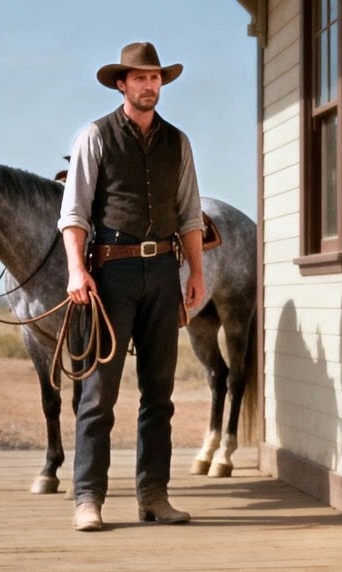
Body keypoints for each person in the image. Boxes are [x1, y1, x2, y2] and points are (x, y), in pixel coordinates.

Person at [57, 41, 206, 532]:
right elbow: (74, 212)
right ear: (121, 84)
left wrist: (197, 273)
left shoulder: (178, 142)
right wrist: (78, 271)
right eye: (140, 78)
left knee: (159, 393)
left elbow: (188, 214)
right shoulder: (95, 137)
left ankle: (153, 495)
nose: (149, 86)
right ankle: (88, 498)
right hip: (110, 274)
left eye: (156, 78)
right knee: (99, 393)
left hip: (164, 270)